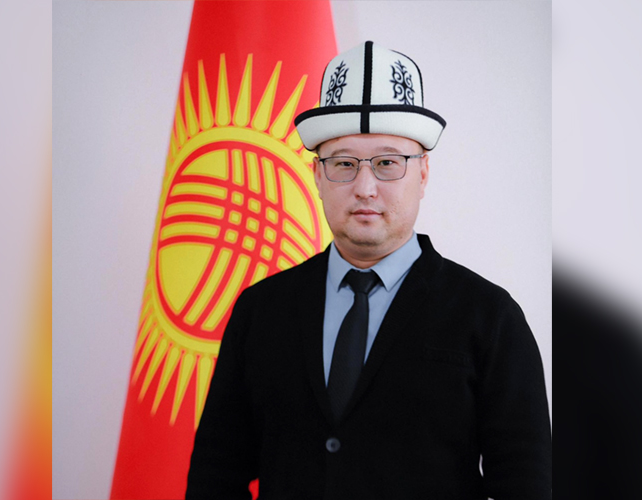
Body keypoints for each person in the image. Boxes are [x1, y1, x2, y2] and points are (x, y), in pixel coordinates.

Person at [186, 41, 552, 500]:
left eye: (387, 163)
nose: (364, 188)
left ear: (423, 173)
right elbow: (215, 474)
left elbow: (526, 481)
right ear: (317, 176)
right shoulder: (261, 309)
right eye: (343, 163)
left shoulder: (489, 316)